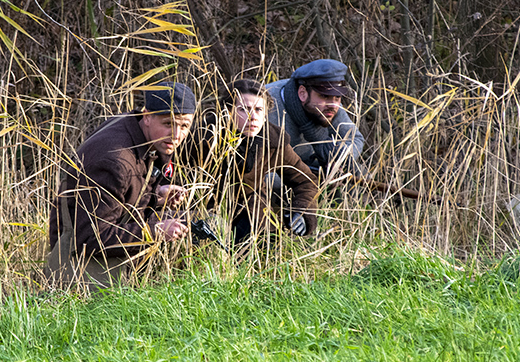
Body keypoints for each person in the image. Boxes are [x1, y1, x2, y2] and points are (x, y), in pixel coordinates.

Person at [46, 81, 196, 290]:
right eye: (168, 123)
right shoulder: (115, 162)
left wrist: (156, 195)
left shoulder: (139, 131)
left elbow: (123, 196)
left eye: (184, 126)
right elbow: (92, 238)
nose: (177, 135)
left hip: (109, 265)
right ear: (147, 116)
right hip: (80, 275)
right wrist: (155, 231)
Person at [185, 79, 319, 245]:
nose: (253, 117)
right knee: (213, 233)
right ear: (228, 111)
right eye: (244, 109)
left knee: (264, 244)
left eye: (258, 110)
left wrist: (302, 210)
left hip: (254, 215)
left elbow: (306, 180)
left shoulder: (273, 140)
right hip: (207, 212)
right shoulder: (203, 136)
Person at [266, 59, 364, 177]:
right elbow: (257, 172)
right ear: (302, 93)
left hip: (314, 173)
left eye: (337, 97)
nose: (333, 105)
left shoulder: (330, 107)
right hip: (279, 180)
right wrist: (307, 177)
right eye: (324, 96)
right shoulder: (263, 104)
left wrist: (338, 159)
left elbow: (355, 139)